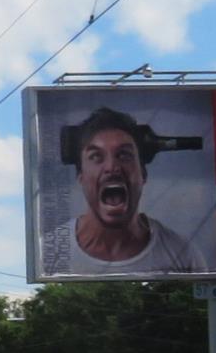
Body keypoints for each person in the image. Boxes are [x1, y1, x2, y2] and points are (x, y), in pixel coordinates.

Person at [39, 107, 204, 274]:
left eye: (124, 155)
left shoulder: (182, 253)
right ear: (80, 176)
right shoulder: (49, 251)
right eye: (96, 156)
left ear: (143, 175)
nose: (112, 167)